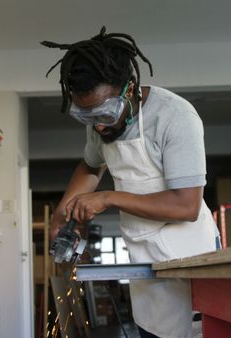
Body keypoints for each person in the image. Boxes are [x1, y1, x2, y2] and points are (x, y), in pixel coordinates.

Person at [41, 27, 221, 338]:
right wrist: (64, 209)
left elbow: (186, 205)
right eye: (86, 117)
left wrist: (109, 198)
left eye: (105, 114)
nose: (97, 125)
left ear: (130, 89)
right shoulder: (99, 124)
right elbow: (90, 166)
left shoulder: (175, 117)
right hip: (143, 259)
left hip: (189, 257)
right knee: (151, 330)